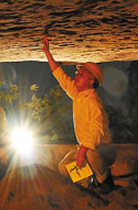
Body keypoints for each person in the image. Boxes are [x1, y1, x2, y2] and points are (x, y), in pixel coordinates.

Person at [42, 35, 116, 194]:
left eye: (81, 74)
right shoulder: (78, 94)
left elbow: (96, 130)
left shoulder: (93, 101)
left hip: (102, 150)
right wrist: (47, 52)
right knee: (64, 167)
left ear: (91, 81)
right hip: (86, 148)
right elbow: (60, 76)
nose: (76, 76)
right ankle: (90, 183)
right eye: (78, 73)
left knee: (89, 153)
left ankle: (106, 181)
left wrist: (82, 151)